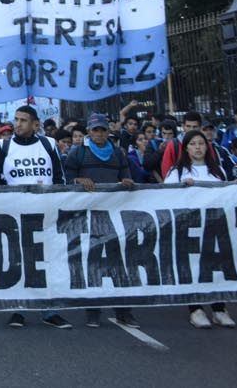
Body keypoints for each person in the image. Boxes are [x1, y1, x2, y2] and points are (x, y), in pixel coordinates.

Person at [0, 105, 71, 329]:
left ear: (36, 124)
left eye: (23, 120)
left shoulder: (48, 144)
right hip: (14, 216)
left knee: (48, 263)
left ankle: (50, 310)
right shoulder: (2, 146)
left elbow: (59, 178)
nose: (18, 124)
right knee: (19, 262)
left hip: (46, 215)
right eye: (16, 119)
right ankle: (19, 309)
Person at [64, 114, 138, 328]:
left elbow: (127, 176)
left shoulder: (117, 153)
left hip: (115, 214)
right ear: (89, 131)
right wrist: (79, 180)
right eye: (95, 130)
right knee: (93, 262)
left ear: (108, 132)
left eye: (103, 130)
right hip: (90, 215)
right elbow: (66, 179)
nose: (99, 134)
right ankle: (93, 311)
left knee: (119, 262)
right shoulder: (79, 152)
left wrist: (127, 181)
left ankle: (124, 311)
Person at [163, 130, 236, 329]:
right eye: (193, 144)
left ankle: (219, 309)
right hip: (188, 227)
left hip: (214, 225)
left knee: (215, 267)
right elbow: (165, 197)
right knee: (192, 267)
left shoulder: (217, 170)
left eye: (201, 143)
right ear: (186, 148)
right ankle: (195, 309)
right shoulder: (176, 172)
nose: (197, 147)